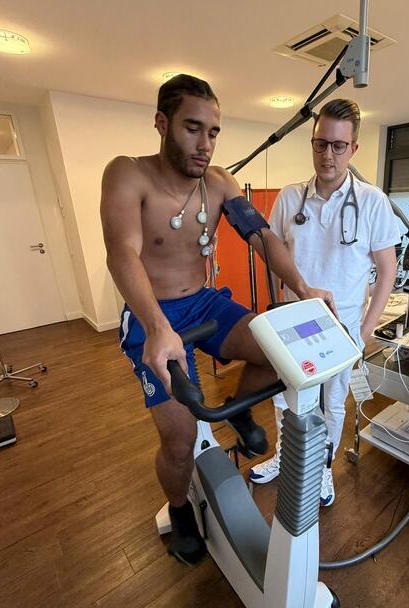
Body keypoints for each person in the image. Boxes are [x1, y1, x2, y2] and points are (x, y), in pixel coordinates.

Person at [100, 74, 334, 564]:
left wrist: (304, 288)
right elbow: (122, 253)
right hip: (152, 313)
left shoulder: (220, 183)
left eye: (212, 132)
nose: (205, 144)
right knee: (180, 440)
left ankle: (238, 410)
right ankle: (179, 507)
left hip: (204, 302)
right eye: (192, 128)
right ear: (161, 123)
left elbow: (263, 237)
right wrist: (158, 327)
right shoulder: (128, 174)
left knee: (277, 348)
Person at [249, 98, 401, 506]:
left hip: (342, 330)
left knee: (332, 404)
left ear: (354, 148)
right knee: (286, 399)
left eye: (338, 146)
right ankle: (286, 457)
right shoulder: (289, 198)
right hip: (292, 324)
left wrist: (364, 332)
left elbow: (387, 271)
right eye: (321, 144)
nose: (328, 155)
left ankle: (321, 470)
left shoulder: (372, 202)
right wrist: (273, 312)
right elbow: (275, 258)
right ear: (312, 144)